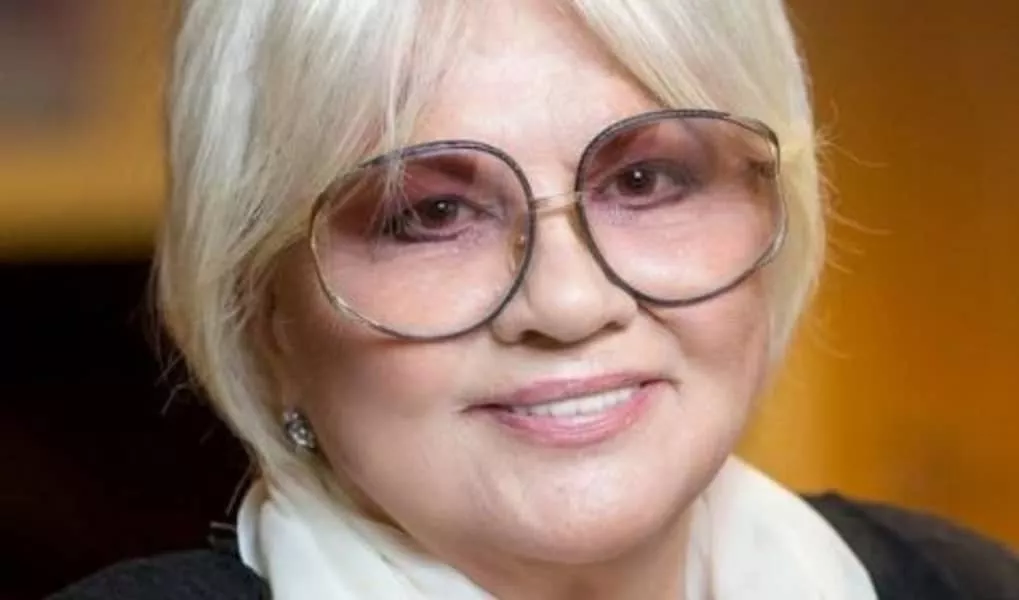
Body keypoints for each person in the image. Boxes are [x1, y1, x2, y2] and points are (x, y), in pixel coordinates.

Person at [52, 0, 1019, 598]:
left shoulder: (958, 582)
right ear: (266, 317)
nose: (567, 302)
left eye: (644, 181)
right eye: (429, 213)